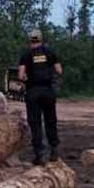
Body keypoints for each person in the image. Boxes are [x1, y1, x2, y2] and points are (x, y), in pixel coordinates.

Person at [18, 29, 63, 165]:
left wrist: (26, 77)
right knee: (50, 121)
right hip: (48, 91)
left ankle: (40, 155)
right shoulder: (50, 52)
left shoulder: (26, 55)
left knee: (35, 123)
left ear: (30, 40)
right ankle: (54, 151)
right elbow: (59, 70)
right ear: (41, 39)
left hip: (33, 92)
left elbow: (20, 76)